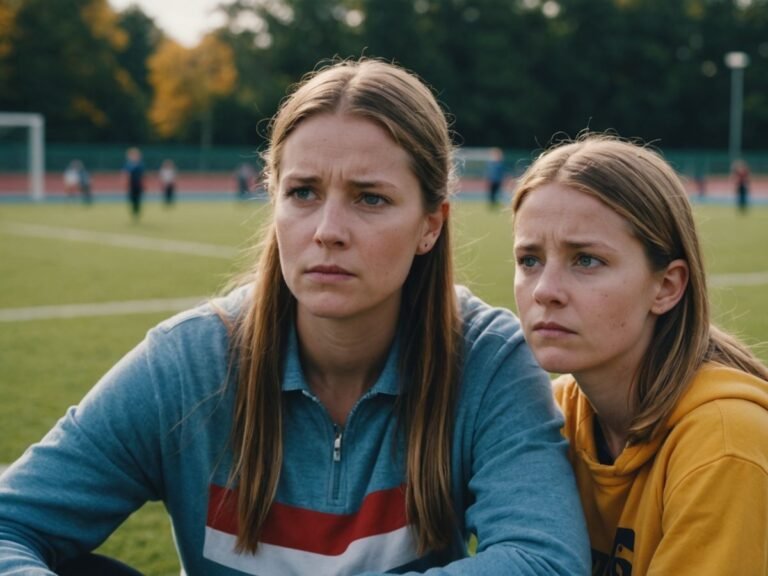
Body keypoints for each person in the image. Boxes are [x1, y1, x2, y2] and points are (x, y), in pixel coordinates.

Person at [0, 59, 590, 575]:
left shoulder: (486, 361)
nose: (327, 231)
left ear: (429, 225)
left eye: (370, 198)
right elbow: (11, 524)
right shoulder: (187, 364)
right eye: (303, 192)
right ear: (273, 198)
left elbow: (546, 560)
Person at [511, 133, 768, 575]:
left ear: (666, 287)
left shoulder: (726, 445)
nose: (545, 291)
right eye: (530, 260)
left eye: (586, 260)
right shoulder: (552, 414)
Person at [124, 147, 145, 220]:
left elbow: (142, 176)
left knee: (138, 199)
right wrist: (126, 183)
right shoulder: (128, 165)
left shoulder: (140, 165)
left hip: (138, 184)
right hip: (131, 184)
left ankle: (137, 212)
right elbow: (126, 175)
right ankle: (134, 211)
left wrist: (143, 184)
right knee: (132, 199)